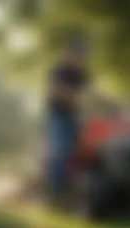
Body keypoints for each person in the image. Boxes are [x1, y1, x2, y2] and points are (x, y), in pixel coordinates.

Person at [46, 39, 91, 196]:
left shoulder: (82, 74)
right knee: (61, 150)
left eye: (83, 55)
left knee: (79, 151)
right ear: (70, 54)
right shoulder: (60, 70)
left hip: (75, 115)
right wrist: (73, 97)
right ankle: (56, 190)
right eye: (78, 54)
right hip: (59, 114)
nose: (81, 58)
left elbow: (91, 93)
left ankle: (73, 186)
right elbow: (54, 91)